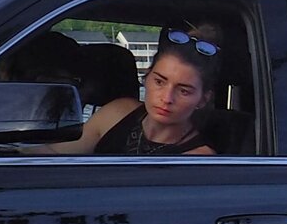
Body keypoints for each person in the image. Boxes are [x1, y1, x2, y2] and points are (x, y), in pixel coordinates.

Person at [40, 26, 223, 156]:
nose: (167, 98)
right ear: (146, 77)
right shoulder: (118, 112)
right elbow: (55, 156)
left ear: (202, 99)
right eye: (159, 81)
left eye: (184, 91)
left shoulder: (198, 159)